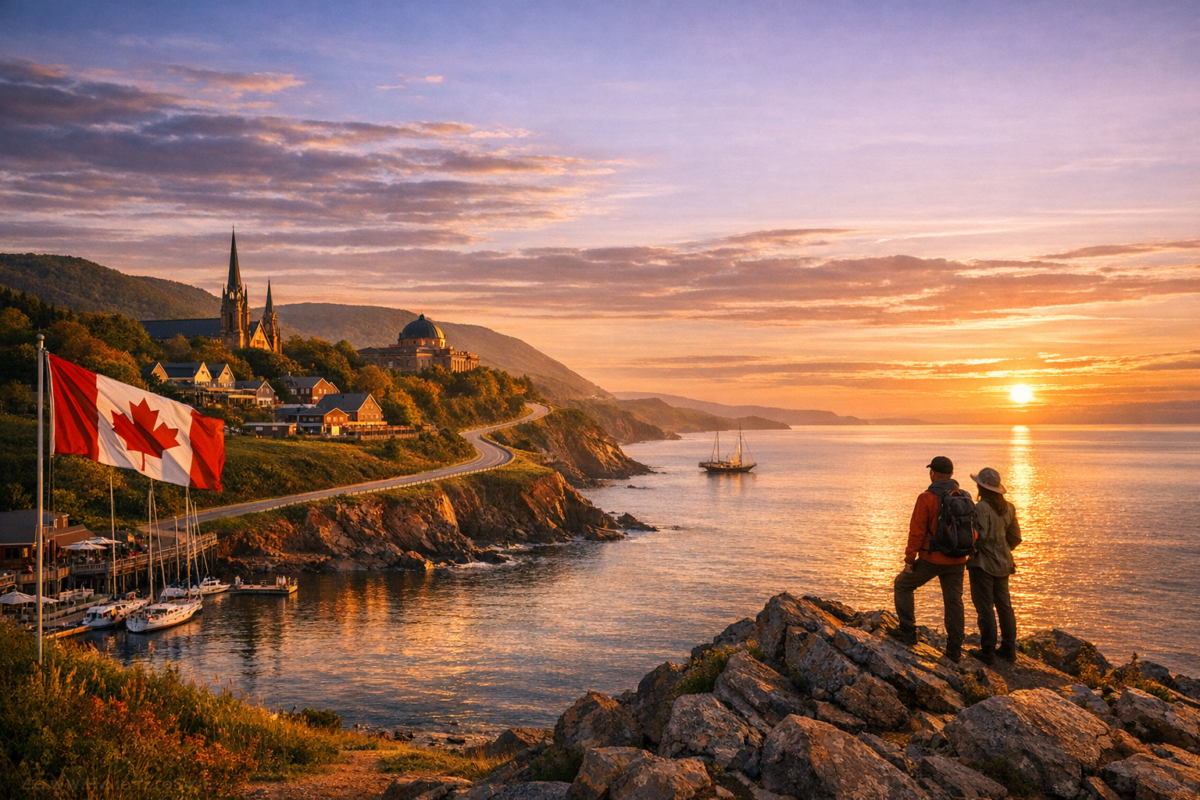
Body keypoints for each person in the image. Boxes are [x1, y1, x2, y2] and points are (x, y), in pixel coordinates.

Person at [890, 455, 971, 661]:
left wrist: (909, 559)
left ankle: (907, 630)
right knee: (954, 602)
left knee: (902, 584)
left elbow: (916, 532)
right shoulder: (964, 496)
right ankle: (954, 649)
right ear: (952, 474)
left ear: (932, 473)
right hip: (958, 558)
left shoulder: (926, 498)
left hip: (931, 558)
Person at [966, 467, 1022, 664]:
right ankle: (1008, 647)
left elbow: (978, 537)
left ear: (981, 487)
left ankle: (987, 650)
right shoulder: (1009, 507)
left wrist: (972, 551)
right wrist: (1003, 549)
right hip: (1004, 563)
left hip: (983, 563)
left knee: (985, 607)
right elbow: (1015, 537)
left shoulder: (980, 507)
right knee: (1005, 606)